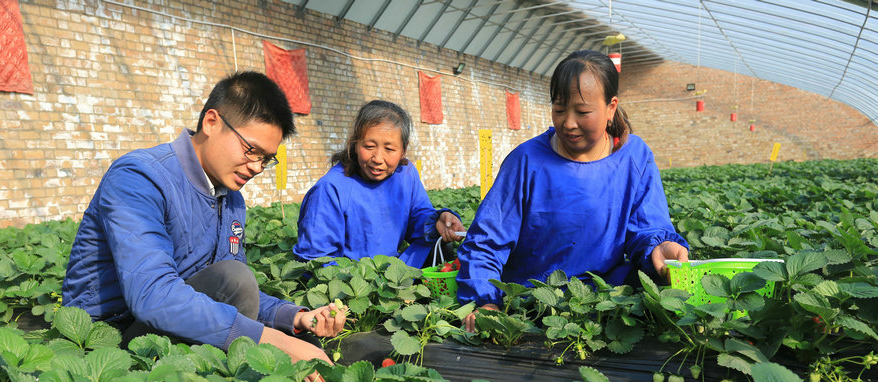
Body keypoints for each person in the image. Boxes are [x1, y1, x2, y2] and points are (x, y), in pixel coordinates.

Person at [62, 71, 342, 382]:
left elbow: (230, 289)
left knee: (236, 278)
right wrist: (276, 343)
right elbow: (154, 295)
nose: (255, 167)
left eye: (266, 159)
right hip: (105, 343)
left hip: (167, 327)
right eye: (251, 150)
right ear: (211, 122)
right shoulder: (139, 177)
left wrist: (293, 317)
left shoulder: (231, 199)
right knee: (239, 285)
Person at [458, 50, 689, 332]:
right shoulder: (527, 160)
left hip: (605, 302)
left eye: (582, 112)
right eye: (559, 109)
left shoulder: (634, 157)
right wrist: (486, 300)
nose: (568, 123)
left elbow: (646, 226)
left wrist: (658, 246)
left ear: (611, 107)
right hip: (530, 305)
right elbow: (486, 241)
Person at [292, 100, 466, 268]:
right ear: (355, 144)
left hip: (394, 276)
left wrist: (436, 223)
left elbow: (417, 216)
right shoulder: (331, 188)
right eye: (369, 146)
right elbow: (316, 257)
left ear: (403, 150)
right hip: (351, 280)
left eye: (389, 149)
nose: (377, 159)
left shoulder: (406, 174)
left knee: (442, 247)